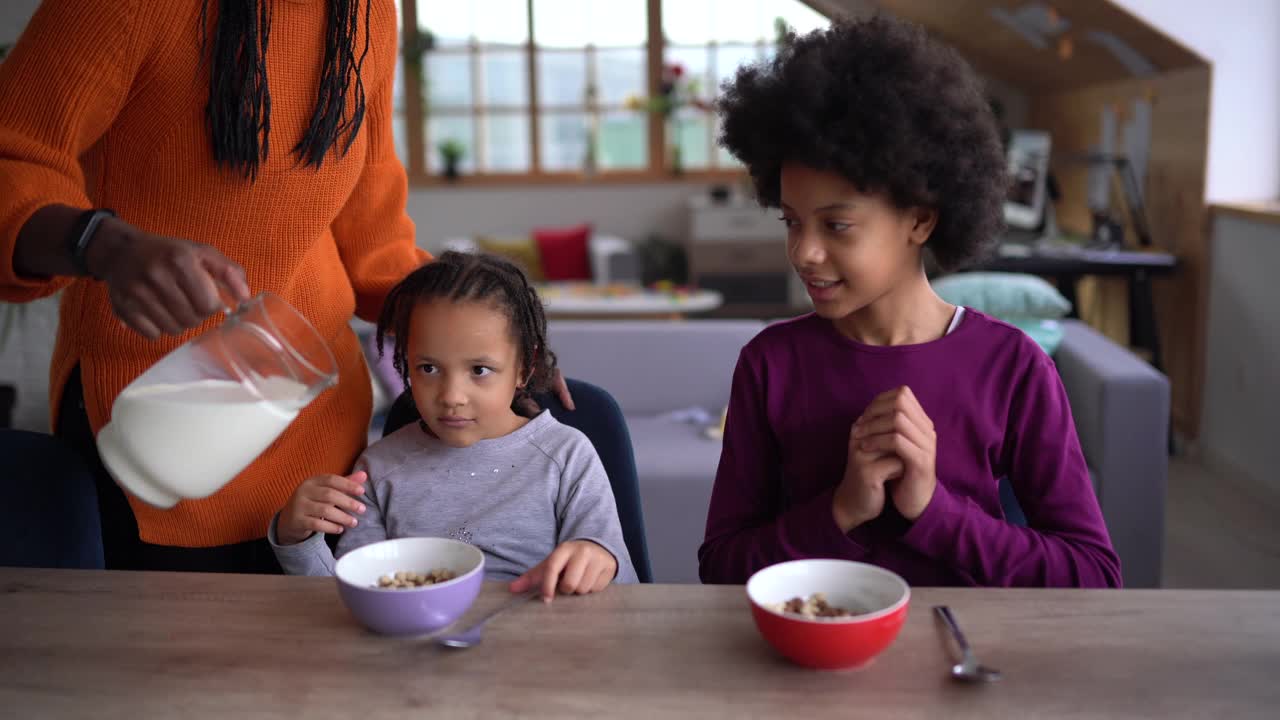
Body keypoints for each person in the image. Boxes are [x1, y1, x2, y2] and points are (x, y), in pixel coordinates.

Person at [0, 0, 427, 573]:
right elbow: (14, 155)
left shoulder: (367, 12)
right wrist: (101, 243)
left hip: (320, 439)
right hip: (154, 431)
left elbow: (374, 234)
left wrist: (496, 332)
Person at [697, 17, 1121, 588]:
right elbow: (721, 568)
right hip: (803, 662)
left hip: (964, 660)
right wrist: (840, 510)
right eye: (792, 222)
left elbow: (1092, 576)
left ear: (920, 219)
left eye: (837, 226)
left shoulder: (1013, 368)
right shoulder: (770, 364)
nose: (804, 252)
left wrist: (932, 510)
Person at [270, 252, 636, 599]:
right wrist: (296, 541)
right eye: (428, 368)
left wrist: (596, 559)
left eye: (479, 370)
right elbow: (352, 602)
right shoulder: (378, 471)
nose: (451, 396)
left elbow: (623, 587)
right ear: (405, 361)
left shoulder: (567, 456)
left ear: (524, 366)